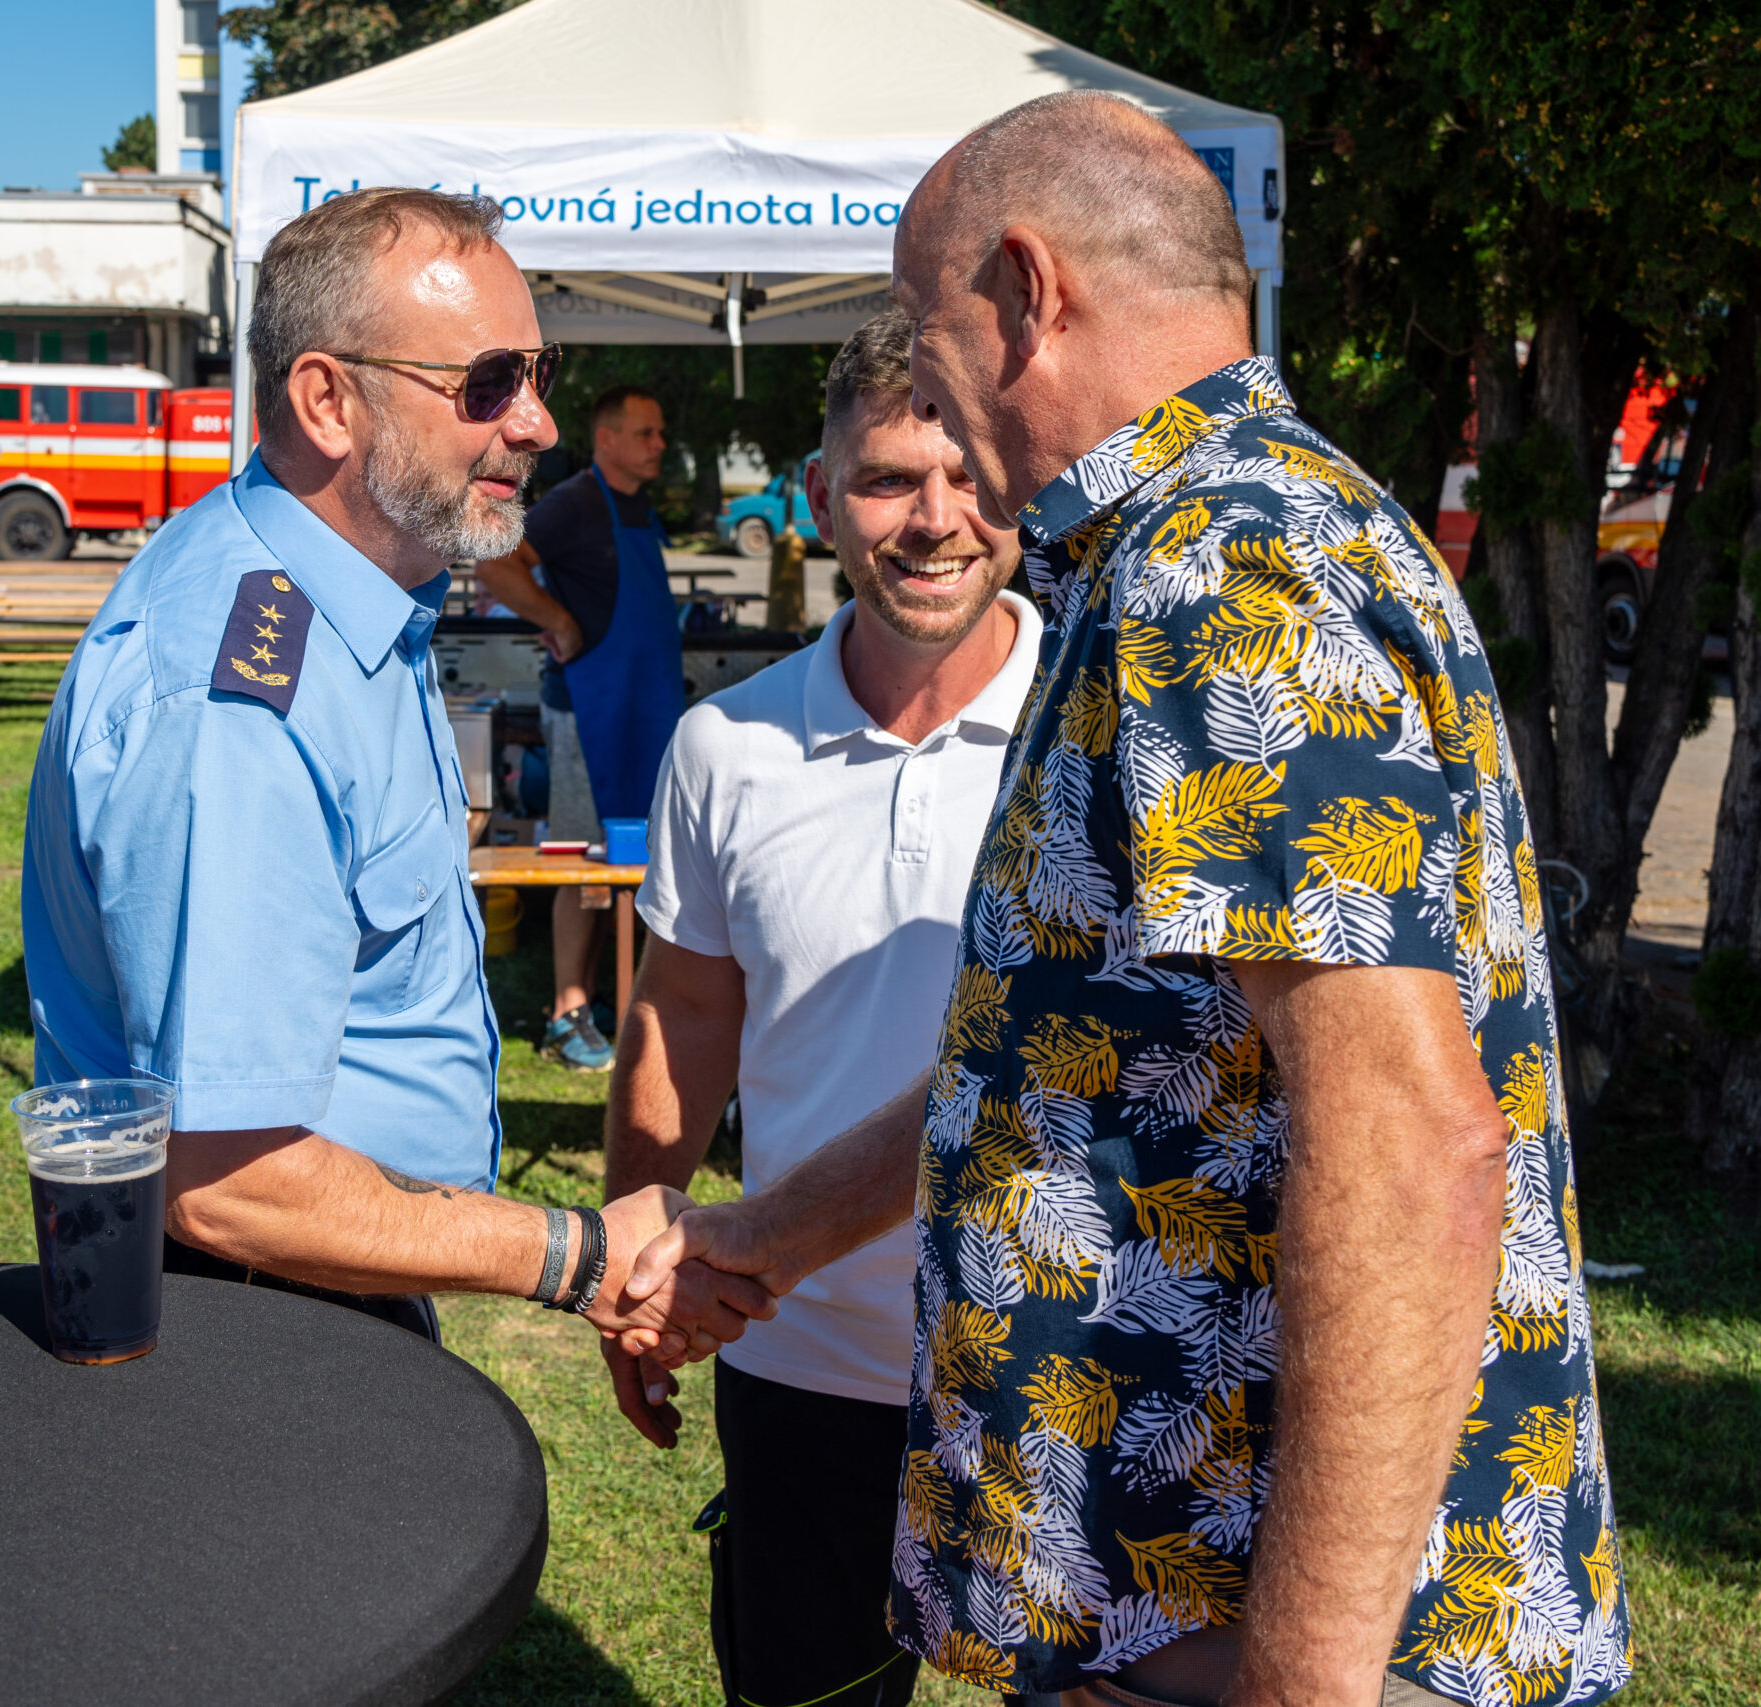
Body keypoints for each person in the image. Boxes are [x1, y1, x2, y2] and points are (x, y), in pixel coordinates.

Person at [621, 94, 1633, 1707]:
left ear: (1028, 292)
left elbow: (1409, 1145)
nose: (933, 393)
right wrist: (759, 1233)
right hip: (1177, 1614)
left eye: (929, 331)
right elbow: (1072, 1066)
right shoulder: (1217, 534)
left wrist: (1294, 1685)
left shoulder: (1219, 568)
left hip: (1263, 1638)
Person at [20, 186, 766, 1348]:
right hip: (265, 1316)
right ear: (328, 400)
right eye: (488, 384)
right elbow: (228, 1178)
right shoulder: (243, 704)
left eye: (540, 373)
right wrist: (575, 1255)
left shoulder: (347, 597)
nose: (537, 424)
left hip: (332, 1281)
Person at [603, 309, 1038, 1707]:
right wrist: (633, 1246)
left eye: (969, 477)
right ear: (818, 496)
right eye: (888, 479)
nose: (935, 519)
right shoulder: (724, 744)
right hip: (802, 1355)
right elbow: (681, 1017)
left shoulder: (1099, 729)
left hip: (1069, 1357)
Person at [475, 386, 685, 1073]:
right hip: (586, 708)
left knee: (624, 857)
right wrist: (556, 620)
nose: (659, 445)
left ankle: (603, 998)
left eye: (659, 433)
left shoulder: (636, 507)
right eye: (646, 433)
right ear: (607, 439)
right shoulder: (574, 503)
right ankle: (567, 1012)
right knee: (581, 856)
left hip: (640, 706)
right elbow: (496, 564)